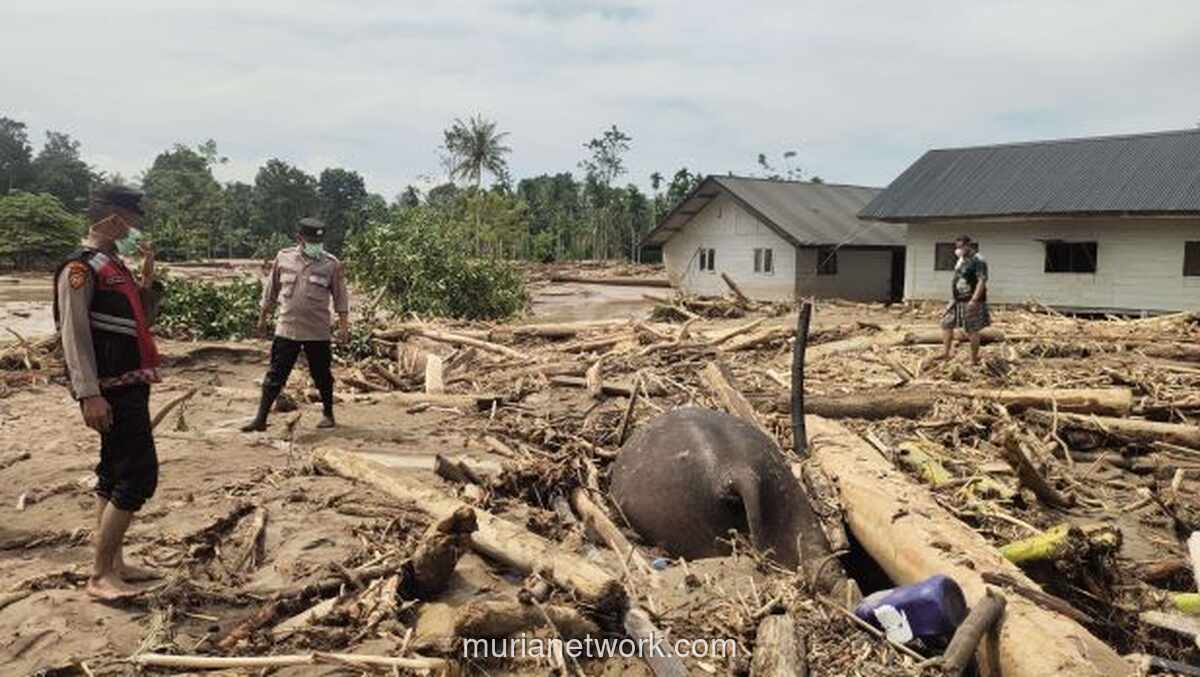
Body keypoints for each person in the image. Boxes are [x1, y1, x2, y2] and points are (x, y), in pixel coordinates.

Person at [54, 185, 163, 601]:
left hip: (133, 381)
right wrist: (88, 393)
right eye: (133, 219)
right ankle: (100, 576)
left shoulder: (114, 265)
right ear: (115, 218)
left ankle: (114, 562)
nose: (137, 227)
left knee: (112, 472)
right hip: (111, 388)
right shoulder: (79, 269)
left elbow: (144, 321)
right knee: (138, 474)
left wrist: (148, 273)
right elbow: (74, 336)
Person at [242, 218, 350, 432]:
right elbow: (270, 291)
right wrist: (262, 318)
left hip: (317, 331)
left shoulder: (331, 264)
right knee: (276, 374)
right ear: (300, 238)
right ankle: (261, 418)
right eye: (310, 240)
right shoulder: (283, 258)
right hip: (287, 328)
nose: (315, 244)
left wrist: (343, 326)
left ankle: (328, 414)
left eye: (318, 241)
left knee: (322, 374)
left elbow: (341, 297)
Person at [940, 235, 990, 364]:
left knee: (971, 329)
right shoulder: (961, 259)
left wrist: (974, 300)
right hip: (957, 299)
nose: (959, 249)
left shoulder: (978, 260)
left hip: (971, 299)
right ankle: (946, 353)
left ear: (969, 245)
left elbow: (982, 280)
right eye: (957, 247)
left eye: (961, 246)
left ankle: (973, 359)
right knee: (946, 323)